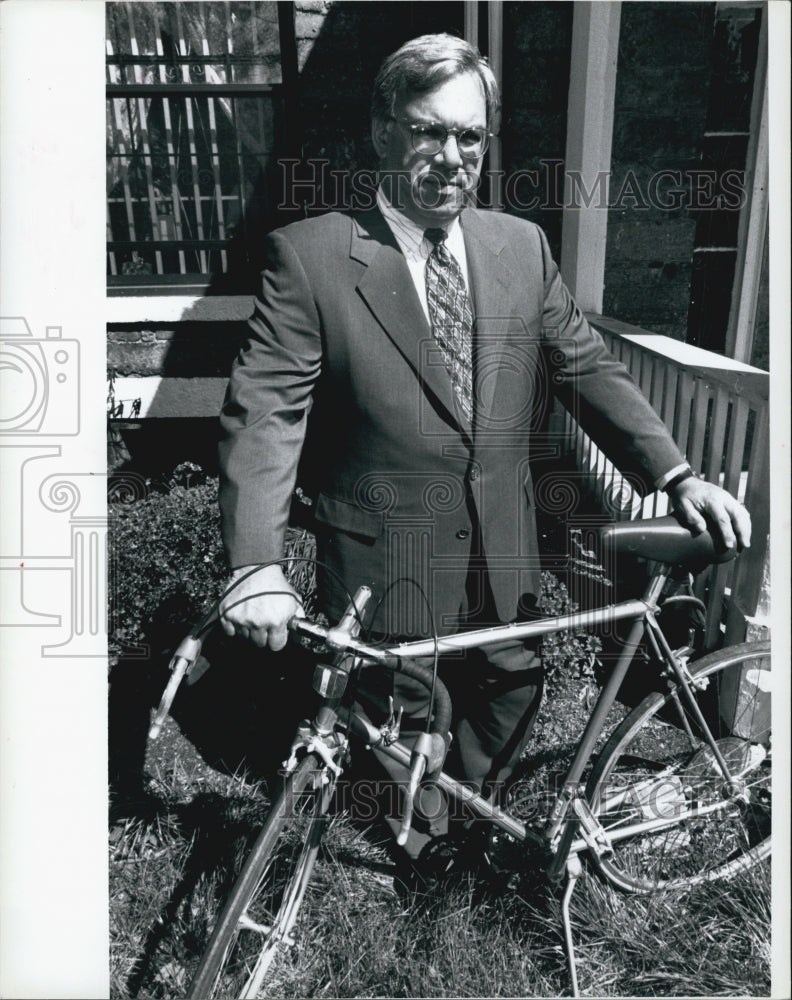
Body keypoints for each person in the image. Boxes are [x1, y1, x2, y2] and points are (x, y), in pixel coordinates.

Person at [216, 33, 751, 879]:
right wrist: (254, 562)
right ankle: (423, 846)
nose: (452, 157)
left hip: (504, 546)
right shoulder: (312, 257)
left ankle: (475, 823)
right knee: (398, 711)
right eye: (430, 132)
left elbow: (586, 365)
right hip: (385, 551)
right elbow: (265, 414)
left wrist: (675, 472)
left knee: (509, 690)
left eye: (471, 137)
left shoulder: (519, 247)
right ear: (383, 130)